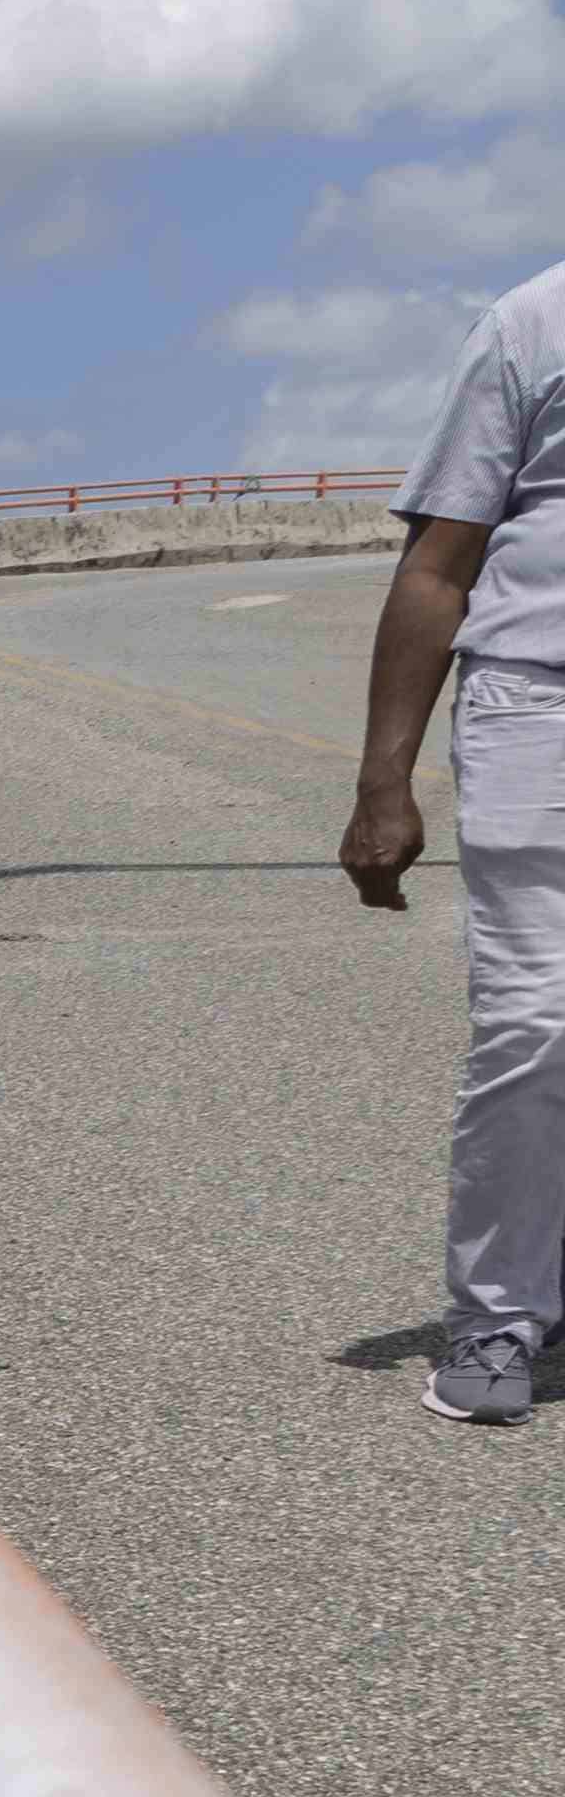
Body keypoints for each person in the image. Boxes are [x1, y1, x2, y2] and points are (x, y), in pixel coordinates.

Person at [349, 255, 565, 1426]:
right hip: (542, 700)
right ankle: (496, 1315)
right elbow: (439, 561)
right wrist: (385, 780)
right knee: (537, 1022)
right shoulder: (534, 320)